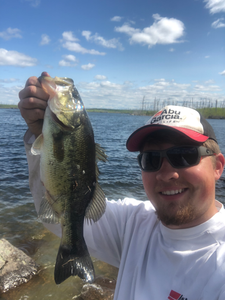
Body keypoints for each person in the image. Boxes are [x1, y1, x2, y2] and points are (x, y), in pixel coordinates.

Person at [18, 73, 225, 300]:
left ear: (218, 166)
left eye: (184, 155)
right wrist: (38, 136)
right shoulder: (133, 224)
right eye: (151, 159)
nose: (167, 174)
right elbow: (57, 220)